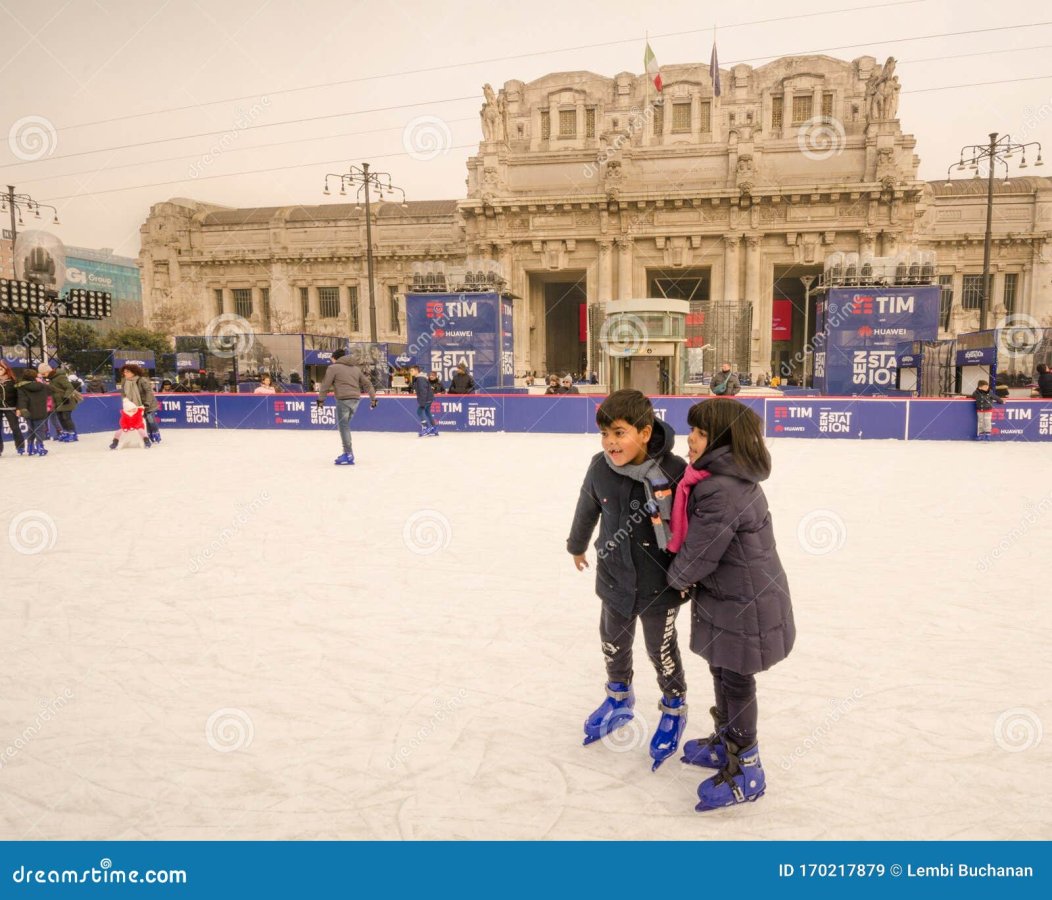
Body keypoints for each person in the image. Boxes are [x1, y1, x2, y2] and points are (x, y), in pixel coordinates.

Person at [667, 398, 795, 811]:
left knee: (736, 679)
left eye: (700, 433)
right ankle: (727, 742)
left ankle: (748, 768)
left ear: (719, 439)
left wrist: (672, 582)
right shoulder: (724, 477)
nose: (691, 439)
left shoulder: (720, 488)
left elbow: (702, 552)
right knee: (722, 668)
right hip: (735, 596)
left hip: (745, 603)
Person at [566, 389, 689, 769]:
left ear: (645, 431)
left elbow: (695, 525)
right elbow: (587, 507)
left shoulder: (674, 470)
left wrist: (695, 572)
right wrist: (577, 545)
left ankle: (674, 706)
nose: (610, 443)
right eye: (605, 434)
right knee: (612, 642)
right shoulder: (599, 467)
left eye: (619, 433)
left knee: (660, 650)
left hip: (661, 583)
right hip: (615, 576)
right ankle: (619, 698)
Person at [317, 348, 377, 466]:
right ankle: (347, 452)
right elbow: (368, 384)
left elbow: (325, 385)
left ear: (335, 358)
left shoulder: (333, 368)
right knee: (345, 426)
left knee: (343, 427)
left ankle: (348, 454)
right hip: (355, 400)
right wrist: (373, 399)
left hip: (343, 400)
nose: (331, 362)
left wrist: (320, 400)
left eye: (332, 359)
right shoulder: (356, 369)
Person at [15, 368, 53, 457]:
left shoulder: (21, 387)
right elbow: (51, 391)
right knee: (39, 430)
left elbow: (22, 399)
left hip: (28, 412)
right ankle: (40, 446)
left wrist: (23, 409)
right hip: (41, 411)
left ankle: (30, 447)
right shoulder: (42, 386)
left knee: (30, 430)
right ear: (35, 376)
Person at [41, 363, 83, 442]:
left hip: (66, 400)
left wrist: (66, 397)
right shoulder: (52, 378)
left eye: (44, 373)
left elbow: (69, 387)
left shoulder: (60, 377)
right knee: (60, 417)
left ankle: (73, 434)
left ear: (48, 371)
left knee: (66, 417)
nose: (44, 375)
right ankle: (66, 432)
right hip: (58, 401)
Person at [120, 364, 161, 444]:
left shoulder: (142, 380)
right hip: (136, 405)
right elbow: (123, 392)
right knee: (145, 420)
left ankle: (156, 434)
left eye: (127, 372)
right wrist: (125, 401)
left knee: (150, 419)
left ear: (134, 372)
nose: (125, 374)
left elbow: (149, 392)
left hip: (149, 404)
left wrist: (147, 403)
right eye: (124, 372)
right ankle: (149, 435)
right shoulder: (125, 381)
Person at [0, 360, 27, 456]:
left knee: (15, 427)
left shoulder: (13, 381)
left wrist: (19, 408)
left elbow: (20, 396)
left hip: (10, 407)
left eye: (1, 369)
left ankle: (20, 447)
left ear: (5, 369)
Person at [409, 365, 439, 437]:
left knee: (419, 411)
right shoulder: (419, 378)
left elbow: (423, 391)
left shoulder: (420, 378)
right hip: (428, 398)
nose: (410, 372)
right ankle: (434, 428)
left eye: (412, 371)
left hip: (426, 399)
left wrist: (422, 402)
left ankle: (426, 428)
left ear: (416, 371)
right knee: (427, 412)